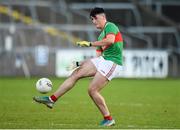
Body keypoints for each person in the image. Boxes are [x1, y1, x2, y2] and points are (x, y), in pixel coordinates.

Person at [33, 7, 123, 126]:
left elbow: (110, 41)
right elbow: (97, 59)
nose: (93, 21)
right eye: (92, 19)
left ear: (102, 17)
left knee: (92, 90)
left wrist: (89, 44)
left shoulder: (110, 26)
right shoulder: (100, 37)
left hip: (113, 62)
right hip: (104, 60)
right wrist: (78, 63)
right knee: (76, 73)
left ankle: (109, 118)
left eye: (94, 18)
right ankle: (52, 99)